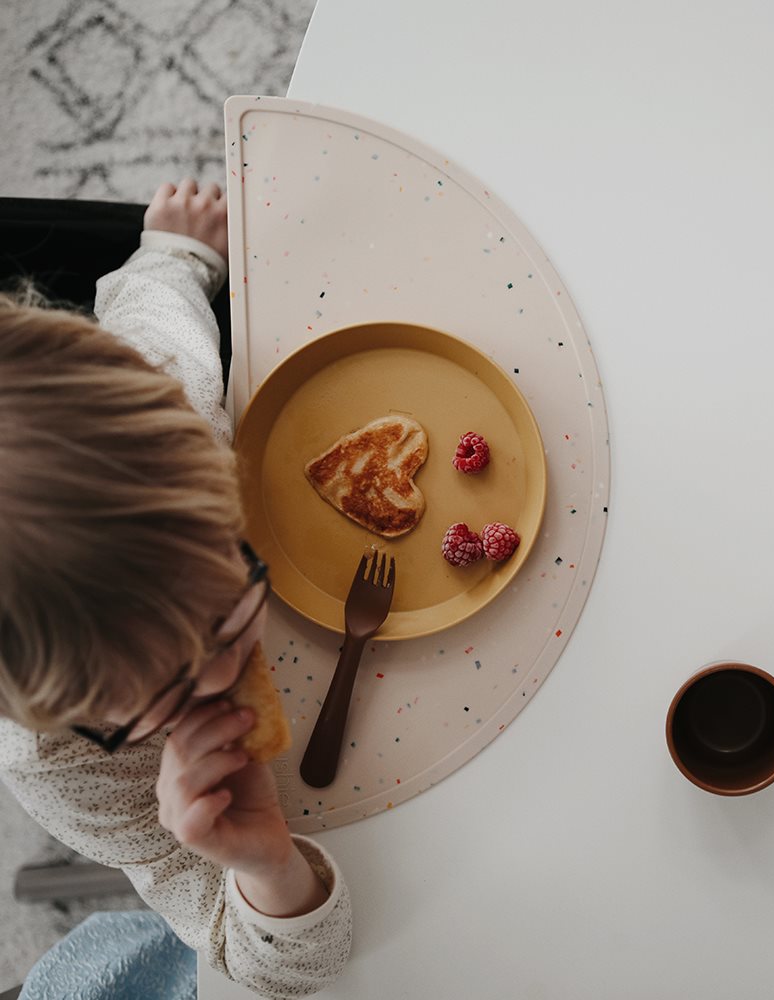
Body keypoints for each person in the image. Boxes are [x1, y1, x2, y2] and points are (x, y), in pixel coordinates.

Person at [0, 180, 351, 998]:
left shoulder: (182, 422)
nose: (226, 678)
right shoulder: (64, 768)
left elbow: (154, 322)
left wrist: (177, 252)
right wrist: (265, 865)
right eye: (162, 694)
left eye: (227, 619)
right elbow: (267, 963)